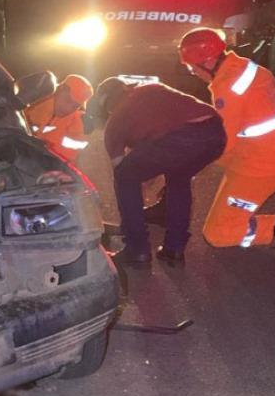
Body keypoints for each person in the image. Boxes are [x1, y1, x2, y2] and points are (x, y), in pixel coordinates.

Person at [178, 28, 275, 250]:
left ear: (209, 61)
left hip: (263, 165)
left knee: (218, 234)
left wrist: (185, 162)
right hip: (273, 151)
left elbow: (221, 142)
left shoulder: (228, 89)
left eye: (192, 67)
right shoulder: (246, 68)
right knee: (221, 192)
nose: (193, 72)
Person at [86, 77, 227, 265]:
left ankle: (137, 250)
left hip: (178, 138)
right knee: (179, 178)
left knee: (125, 178)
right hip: (214, 132)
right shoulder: (152, 88)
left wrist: (139, 187)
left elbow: (123, 168)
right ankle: (174, 249)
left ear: (107, 104)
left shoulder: (115, 123)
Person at [24, 74, 93, 159]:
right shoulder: (33, 101)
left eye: (75, 106)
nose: (68, 109)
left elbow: (67, 160)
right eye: (68, 100)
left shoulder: (76, 122)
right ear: (59, 89)